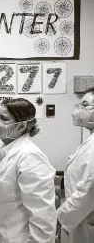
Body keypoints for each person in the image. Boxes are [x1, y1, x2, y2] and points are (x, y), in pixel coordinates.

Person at [0, 98, 57, 243]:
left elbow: (43, 219)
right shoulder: (3, 149)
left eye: (3, 119)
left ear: (21, 126)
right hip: (3, 234)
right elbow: (9, 183)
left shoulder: (30, 156)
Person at [57, 87, 94, 243]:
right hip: (80, 218)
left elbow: (88, 190)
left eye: (84, 105)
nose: (78, 110)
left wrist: (61, 216)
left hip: (84, 220)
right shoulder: (88, 143)